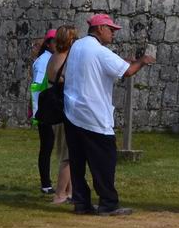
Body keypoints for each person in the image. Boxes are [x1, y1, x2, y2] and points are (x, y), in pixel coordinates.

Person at [62, 12, 155, 216]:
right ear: (100, 29)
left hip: (72, 112)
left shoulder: (78, 46)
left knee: (78, 162)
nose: (113, 34)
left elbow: (105, 63)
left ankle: (81, 203)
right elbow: (127, 72)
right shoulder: (100, 52)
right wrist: (142, 61)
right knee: (104, 160)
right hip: (93, 115)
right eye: (111, 30)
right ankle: (108, 203)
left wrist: (126, 60)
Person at [41, 25, 78, 204]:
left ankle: (70, 192)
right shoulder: (65, 59)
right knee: (68, 154)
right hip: (64, 110)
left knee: (70, 152)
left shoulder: (53, 57)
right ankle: (60, 193)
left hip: (56, 109)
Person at [30, 28, 57, 194]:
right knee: (47, 146)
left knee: (48, 145)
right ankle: (45, 183)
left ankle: (46, 183)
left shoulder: (48, 59)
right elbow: (38, 86)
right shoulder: (44, 61)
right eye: (55, 42)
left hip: (46, 107)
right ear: (48, 44)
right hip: (45, 109)